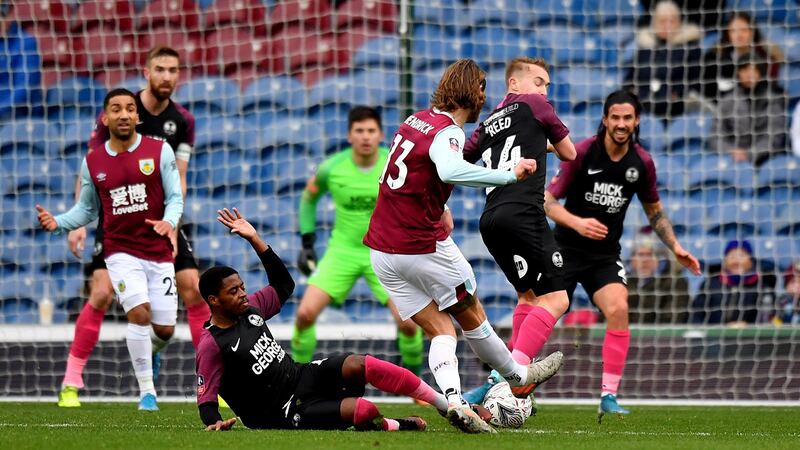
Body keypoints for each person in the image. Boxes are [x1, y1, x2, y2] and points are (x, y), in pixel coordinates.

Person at [363, 58, 563, 434]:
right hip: (418, 246)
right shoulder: (449, 132)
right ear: (472, 92)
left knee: (442, 331)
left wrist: (442, 205)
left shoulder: (414, 120)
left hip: (382, 252)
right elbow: (450, 169)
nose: (486, 98)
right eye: (483, 90)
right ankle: (517, 376)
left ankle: (455, 402)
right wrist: (509, 174)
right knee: (472, 314)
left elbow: (398, 175)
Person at [196, 208, 454, 432]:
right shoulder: (212, 344)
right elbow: (206, 397)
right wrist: (214, 420)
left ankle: (445, 404)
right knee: (363, 411)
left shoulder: (250, 310)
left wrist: (255, 239)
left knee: (359, 364)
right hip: (279, 412)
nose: (243, 294)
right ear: (214, 300)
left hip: (300, 376)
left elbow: (284, 285)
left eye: (242, 287)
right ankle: (394, 424)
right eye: (234, 291)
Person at [57, 46, 210, 408]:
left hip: (160, 218)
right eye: (160, 69)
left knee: (193, 287)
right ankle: (70, 382)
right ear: (146, 72)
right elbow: (93, 167)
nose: (167, 77)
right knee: (100, 292)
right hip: (116, 218)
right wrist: (79, 222)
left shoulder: (184, 121)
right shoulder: (120, 111)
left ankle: (208, 381)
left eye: (173, 70)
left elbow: (181, 178)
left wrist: (173, 221)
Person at [544, 90, 701, 421]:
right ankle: (501, 382)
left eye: (627, 118)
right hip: (567, 250)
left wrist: (676, 248)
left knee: (619, 308)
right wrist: (577, 223)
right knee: (544, 313)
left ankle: (608, 395)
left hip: (604, 256)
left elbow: (655, 212)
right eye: (615, 117)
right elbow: (547, 201)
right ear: (605, 120)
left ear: (636, 121)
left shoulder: (641, 163)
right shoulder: (584, 152)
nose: (621, 123)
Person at [36, 88, 184, 411]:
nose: (123, 114)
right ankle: (147, 393)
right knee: (139, 313)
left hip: (157, 250)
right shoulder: (93, 161)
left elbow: (175, 197)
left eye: (130, 108)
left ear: (138, 117)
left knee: (165, 329)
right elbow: (87, 210)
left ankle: (152, 351)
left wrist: (169, 222)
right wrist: (59, 223)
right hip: (119, 251)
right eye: (115, 109)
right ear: (105, 118)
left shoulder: (160, 151)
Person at [460, 57, 576, 402]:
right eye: (539, 82)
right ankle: (510, 379)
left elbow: (463, 158)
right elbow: (569, 153)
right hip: (524, 213)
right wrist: (549, 143)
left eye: (547, 85)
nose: (545, 91)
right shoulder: (537, 106)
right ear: (515, 84)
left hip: (491, 219)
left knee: (528, 296)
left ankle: (501, 382)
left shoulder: (490, 120)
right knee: (557, 298)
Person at [292, 106, 423, 375]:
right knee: (304, 315)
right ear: (349, 135)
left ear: (380, 134)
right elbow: (308, 199)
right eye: (359, 131)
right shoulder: (332, 167)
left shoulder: (394, 164)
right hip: (342, 252)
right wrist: (307, 242)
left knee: (409, 323)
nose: (365, 137)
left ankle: (415, 382)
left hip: (385, 252)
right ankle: (294, 378)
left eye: (371, 131)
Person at [624, 0, 702, 119]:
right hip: (643, 109)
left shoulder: (691, 48)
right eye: (662, 21)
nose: (667, 26)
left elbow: (696, 81)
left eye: (671, 21)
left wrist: (678, 94)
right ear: (654, 23)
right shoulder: (644, 48)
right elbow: (630, 79)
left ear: (679, 22)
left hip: (677, 111)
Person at [711, 54, 788, 167]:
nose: (749, 74)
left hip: (766, 160)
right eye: (745, 70)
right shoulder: (727, 101)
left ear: (760, 73)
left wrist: (750, 154)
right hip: (731, 160)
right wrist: (731, 151)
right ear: (738, 73)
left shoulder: (773, 100)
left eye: (753, 70)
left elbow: (775, 136)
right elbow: (716, 135)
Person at [700, 12, 783, 101]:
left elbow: (771, 87)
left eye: (743, 30)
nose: (739, 35)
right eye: (733, 31)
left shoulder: (765, 58)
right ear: (727, 34)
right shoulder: (715, 59)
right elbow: (708, 92)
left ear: (752, 32)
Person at [691, 240, 776, 325]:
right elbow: (696, 315)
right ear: (725, 260)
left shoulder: (763, 287)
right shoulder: (710, 284)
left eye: (741, 256)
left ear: (750, 260)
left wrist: (748, 326)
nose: (736, 261)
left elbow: (767, 318)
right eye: (732, 256)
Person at [626, 236, 690, 324]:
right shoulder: (622, 281)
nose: (645, 260)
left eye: (650, 255)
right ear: (632, 260)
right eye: (640, 255)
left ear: (660, 259)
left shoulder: (675, 282)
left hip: (659, 335)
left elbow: (672, 319)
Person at [0, 1, 41, 121]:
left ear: (11, 14)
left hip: (18, 116)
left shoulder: (26, 42)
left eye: (2, 15)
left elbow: (25, 88)